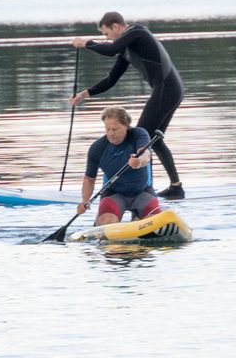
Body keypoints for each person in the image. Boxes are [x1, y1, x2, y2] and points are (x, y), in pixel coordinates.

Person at [70, 12, 185, 200]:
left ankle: (145, 190)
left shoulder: (137, 31)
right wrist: (84, 94)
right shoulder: (126, 50)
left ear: (116, 27)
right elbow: (111, 79)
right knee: (154, 139)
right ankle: (175, 188)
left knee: (140, 136)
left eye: (106, 34)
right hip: (170, 90)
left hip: (167, 88)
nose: (106, 39)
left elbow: (110, 49)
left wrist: (85, 43)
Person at [77, 106, 161, 225]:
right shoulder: (97, 148)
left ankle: (137, 218)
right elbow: (89, 179)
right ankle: (102, 218)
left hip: (142, 191)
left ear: (126, 126)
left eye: (115, 129)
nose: (111, 134)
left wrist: (139, 162)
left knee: (154, 223)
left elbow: (146, 155)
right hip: (114, 194)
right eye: (108, 129)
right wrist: (85, 201)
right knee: (107, 223)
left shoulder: (138, 134)